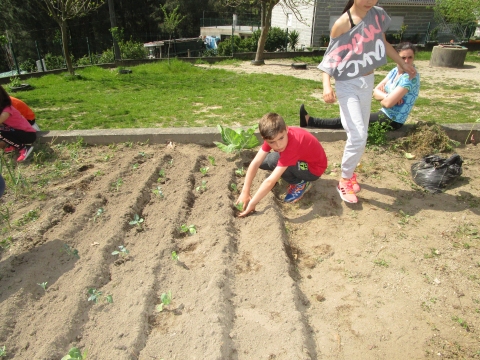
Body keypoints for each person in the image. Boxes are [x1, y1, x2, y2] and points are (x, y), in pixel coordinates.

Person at [316, 0, 416, 204]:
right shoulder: (342, 24)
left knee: (361, 134)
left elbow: (384, 43)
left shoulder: (377, 15)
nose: (371, 0)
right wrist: (327, 86)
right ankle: (344, 179)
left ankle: (350, 173)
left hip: (367, 82)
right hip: (347, 84)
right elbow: (330, 58)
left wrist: (401, 64)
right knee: (358, 134)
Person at [300, 42, 420, 131]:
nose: (407, 61)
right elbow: (375, 92)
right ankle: (310, 121)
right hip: (385, 113)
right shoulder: (395, 71)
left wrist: (387, 99)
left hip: (393, 120)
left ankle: (311, 121)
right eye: (403, 57)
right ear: (397, 57)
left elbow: (386, 103)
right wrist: (389, 96)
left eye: (410, 57)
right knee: (352, 116)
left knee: (352, 119)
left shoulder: (410, 77)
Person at [235, 112, 327, 218]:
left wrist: (252, 203)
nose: (278, 145)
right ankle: (290, 171)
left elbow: (270, 181)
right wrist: (245, 192)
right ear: (265, 139)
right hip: (301, 159)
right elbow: (256, 162)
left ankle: (299, 183)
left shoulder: (293, 145)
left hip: (312, 168)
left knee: (275, 160)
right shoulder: (274, 134)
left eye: (281, 138)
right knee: (265, 162)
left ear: (286, 129)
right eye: (272, 142)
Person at [0, 85, 36, 162]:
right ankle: (15, 145)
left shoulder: (8, 109)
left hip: (28, 135)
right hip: (18, 133)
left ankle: (24, 148)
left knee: (1, 132)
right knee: (2, 130)